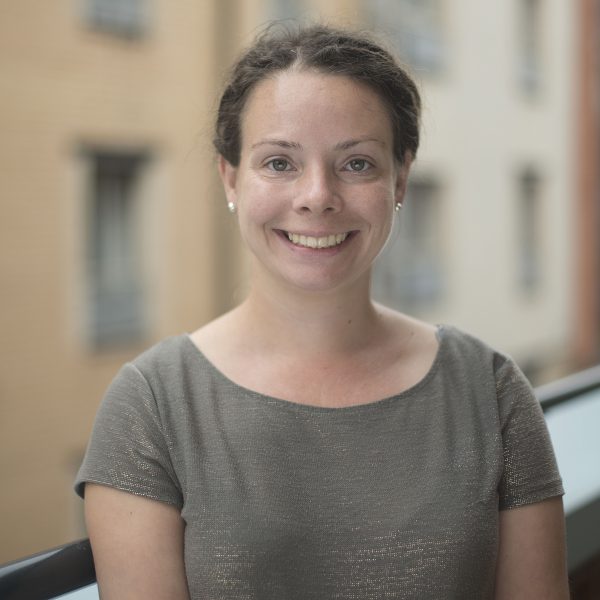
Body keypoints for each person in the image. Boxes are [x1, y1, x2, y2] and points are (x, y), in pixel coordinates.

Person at [75, 23, 569, 599]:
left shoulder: (491, 391)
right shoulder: (152, 406)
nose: (317, 196)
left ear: (401, 179)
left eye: (356, 164)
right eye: (279, 163)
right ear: (230, 178)